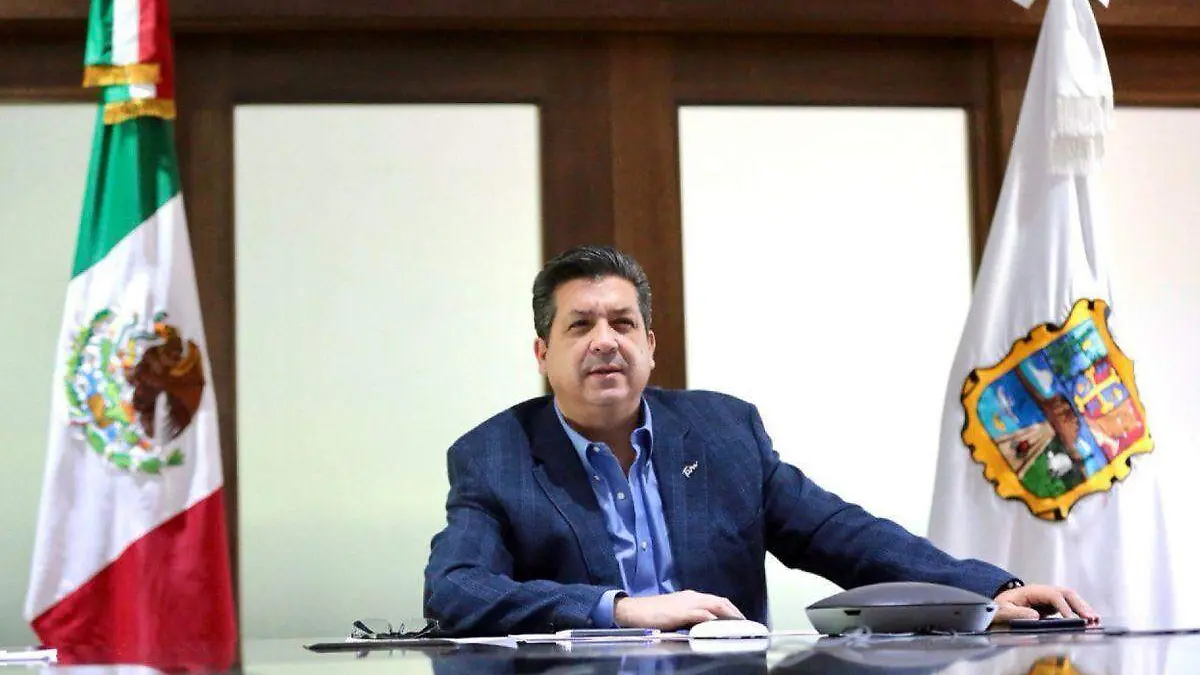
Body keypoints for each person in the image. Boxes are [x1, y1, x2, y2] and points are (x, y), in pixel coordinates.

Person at [423, 245, 1098, 636]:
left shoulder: (723, 432)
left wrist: (989, 590)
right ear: (542, 353)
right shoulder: (495, 455)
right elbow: (456, 592)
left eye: (623, 323)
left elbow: (842, 534)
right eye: (580, 326)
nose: (605, 341)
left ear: (650, 346)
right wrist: (619, 609)